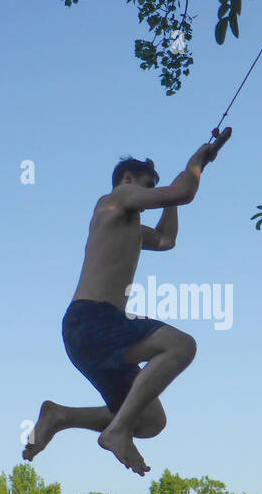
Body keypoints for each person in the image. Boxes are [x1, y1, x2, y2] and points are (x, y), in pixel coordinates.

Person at [23, 128, 233, 475]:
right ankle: (116, 431)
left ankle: (61, 416)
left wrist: (176, 188)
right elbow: (182, 192)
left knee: (150, 421)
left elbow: (166, 240)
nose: (149, 196)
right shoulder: (114, 199)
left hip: (92, 333)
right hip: (93, 320)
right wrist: (195, 164)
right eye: (147, 186)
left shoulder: (130, 226)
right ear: (127, 178)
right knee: (181, 346)